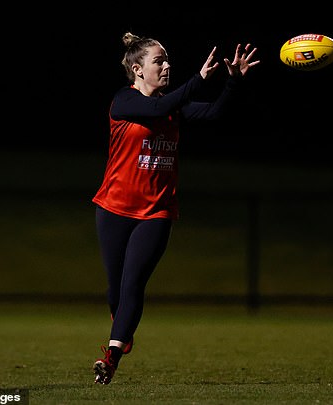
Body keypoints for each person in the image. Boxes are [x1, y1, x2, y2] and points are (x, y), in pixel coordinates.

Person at [91, 31, 260, 385]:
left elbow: (213, 113)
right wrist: (197, 80)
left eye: (167, 60)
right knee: (115, 291)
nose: (167, 66)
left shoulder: (173, 106)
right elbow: (156, 108)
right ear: (138, 69)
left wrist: (232, 83)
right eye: (159, 61)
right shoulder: (124, 101)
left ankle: (111, 356)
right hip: (114, 209)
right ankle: (123, 324)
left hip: (156, 212)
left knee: (133, 283)